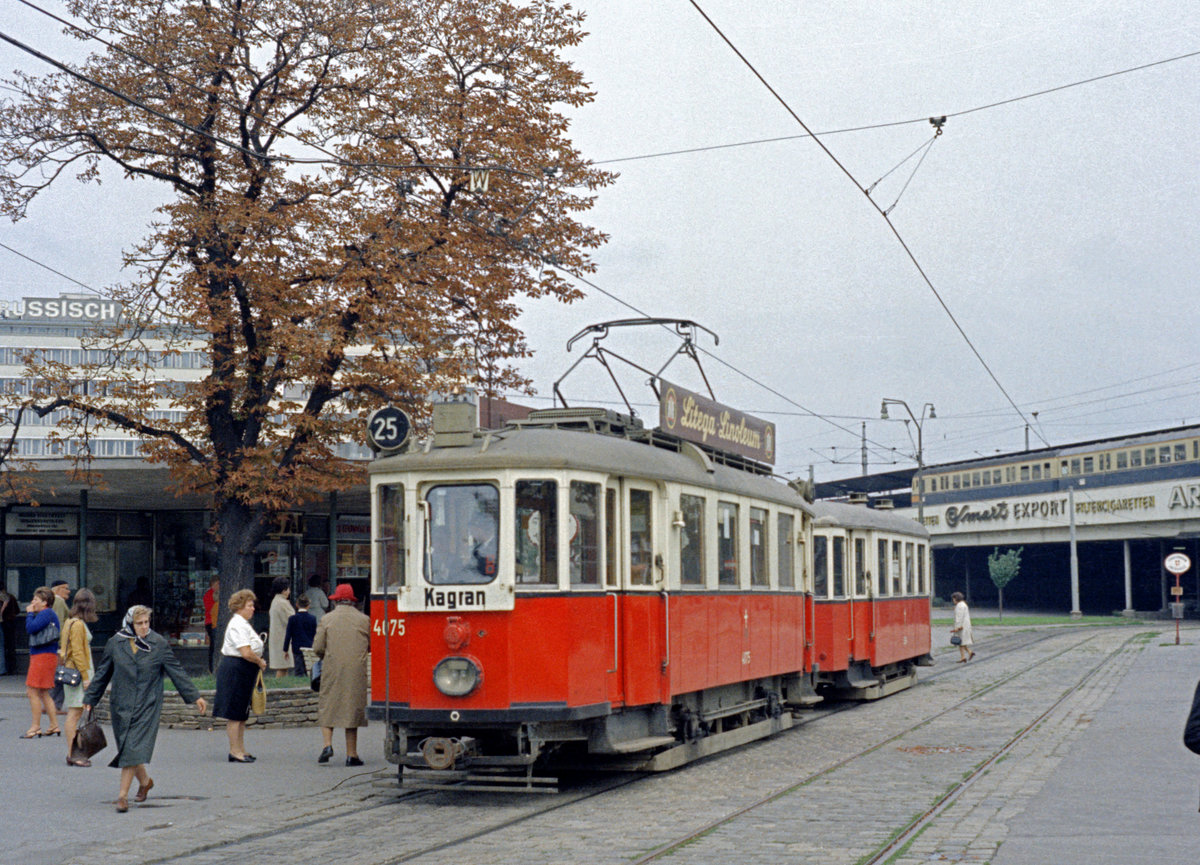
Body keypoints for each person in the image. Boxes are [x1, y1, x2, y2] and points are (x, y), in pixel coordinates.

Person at [83, 606, 207, 812]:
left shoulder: (158, 643)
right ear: (130, 624)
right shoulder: (115, 643)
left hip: (147, 704)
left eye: (146, 623)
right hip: (121, 704)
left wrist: (195, 696)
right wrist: (91, 698)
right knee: (129, 749)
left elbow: (176, 670)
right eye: (139, 623)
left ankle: (122, 797)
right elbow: (103, 673)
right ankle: (145, 782)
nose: (143, 627)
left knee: (132, 747)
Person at [312, 583, 370, 766]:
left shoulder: (327, 619)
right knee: (351, 709)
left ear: (336, 601)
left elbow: (317, 647)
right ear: (352, 601)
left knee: (327, 705)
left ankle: (327, 745)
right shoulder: (364, 620)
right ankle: (352, 754)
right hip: (356, 671)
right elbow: (371, 645)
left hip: (332, 668)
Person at [212, 588, 268, 763]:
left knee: (242, 712)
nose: (253, 608)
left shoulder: (244, 624)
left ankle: (241, 749)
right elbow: (246, 652)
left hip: (244, 670)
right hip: (236, 669)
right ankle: (234, 751)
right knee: (235, 712)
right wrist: (260, 662)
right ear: (240, 607)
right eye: (249, 605)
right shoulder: (237, 624)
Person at [61, 588, 99, 766]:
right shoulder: (78, 625)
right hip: (79, 673)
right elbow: (77, 653)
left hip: (72, 671)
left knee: (75, 712)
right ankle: (73, 753)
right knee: (75, 713)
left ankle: (75, 751)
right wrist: (86, 677)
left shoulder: (69, 622)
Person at [22, 586, 61, 738]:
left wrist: (29, 614)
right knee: (44, 692)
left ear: (45, 602)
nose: (33, 602)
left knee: (32, 691)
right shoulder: (49, 614)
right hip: (47, 656)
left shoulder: (46, 613)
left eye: (36, 599)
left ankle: (35, 726)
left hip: (42, 656)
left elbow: (31, 628)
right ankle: (54, 725)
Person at [49, 580, 71, 710]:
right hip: (59, 644)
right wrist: (62, 645)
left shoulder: (54, 601)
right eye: (65, 588)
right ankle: (54, 705)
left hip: (55, 644)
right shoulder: (58, 601)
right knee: (60, 674)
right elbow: (59, 624)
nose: (68, 591)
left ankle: (51, 704)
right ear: (57, 589)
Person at [283, 593, 317, 676]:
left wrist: (285, 649)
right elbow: (315, 634)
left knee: (298, 670)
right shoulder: (312, 619)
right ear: (308, 606)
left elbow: (288, 635)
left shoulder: (292, 619)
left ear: (297, 605)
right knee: (309, 670)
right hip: (309, 646)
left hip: (297, 647)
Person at [267, 576, 294, 678]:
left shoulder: (275, 601)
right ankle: (280, 684)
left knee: (283, 666)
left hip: (277, 637)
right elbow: (291, 620)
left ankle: (283, 683)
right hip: (283, 638)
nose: (289, 591)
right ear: (284, 590)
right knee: (282, 666)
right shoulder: (282, 603)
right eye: (288, 588)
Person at [951, 591, 975, 662]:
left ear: (956, 598)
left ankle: (965, 655)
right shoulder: (963, 604)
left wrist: (957, 627)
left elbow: (959, 617)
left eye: (953, 599)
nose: (953, 600)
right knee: (961, 642)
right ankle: (965, 655)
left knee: (960, 641)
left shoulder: (959, 606)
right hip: (965, 625)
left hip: (961, 627)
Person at [203, 576, 219, 673]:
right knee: (213, 645)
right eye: (217, 584)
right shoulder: (209, 594)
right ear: (213, 584)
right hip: (211, 622)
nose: (219, 586)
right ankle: (211, 667)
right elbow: (210, 609)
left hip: (214, 622)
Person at [0, 584, 15, 675]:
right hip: (7, 622)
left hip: (5, 622)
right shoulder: (8, 597)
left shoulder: (5, 597)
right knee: (4, 647)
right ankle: (3, 669)